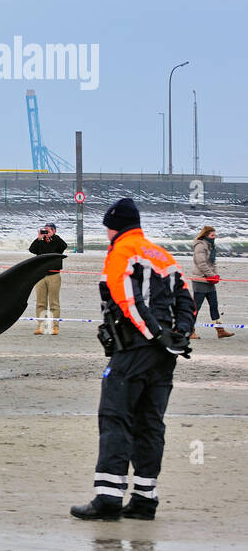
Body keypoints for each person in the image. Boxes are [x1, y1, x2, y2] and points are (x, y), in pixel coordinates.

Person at [71, 198, 195, 521]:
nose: (107, 233)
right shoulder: (163, 255)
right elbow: (186, 298)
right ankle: (144, 498)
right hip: (164, 356)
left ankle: (109, 497)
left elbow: (128, 298)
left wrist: (155, 334)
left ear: (116, 226)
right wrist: (178, 335)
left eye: (108, 227)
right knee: (150, 423)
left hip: (134, 349)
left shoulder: (121, 252)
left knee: (115, 416)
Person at [190, 226, 233, 339]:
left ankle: (220, 330)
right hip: (200, 280)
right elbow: (201, 264)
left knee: (214, 305)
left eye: (214, 235)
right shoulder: (200, 246)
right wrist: (212, 276)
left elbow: (212, 264)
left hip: (209, 282)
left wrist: (215, 276)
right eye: (212, 235)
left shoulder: (210, 246)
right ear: (206, 235)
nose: (214, 237)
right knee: (196, 307)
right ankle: (190, 331)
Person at [29, 222, 68, 334]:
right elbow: (32, 250)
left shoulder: (57, 242)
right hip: (40, 275)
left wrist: (53, 236)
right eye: (45, 230)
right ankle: (40, 326)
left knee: (54, 302)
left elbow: (63, 246)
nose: (46, 232)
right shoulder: (40, 242)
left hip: (54, 275)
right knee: (40, 302)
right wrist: (39, 238)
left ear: (54, 231)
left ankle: (55, 326)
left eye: (49, 230)